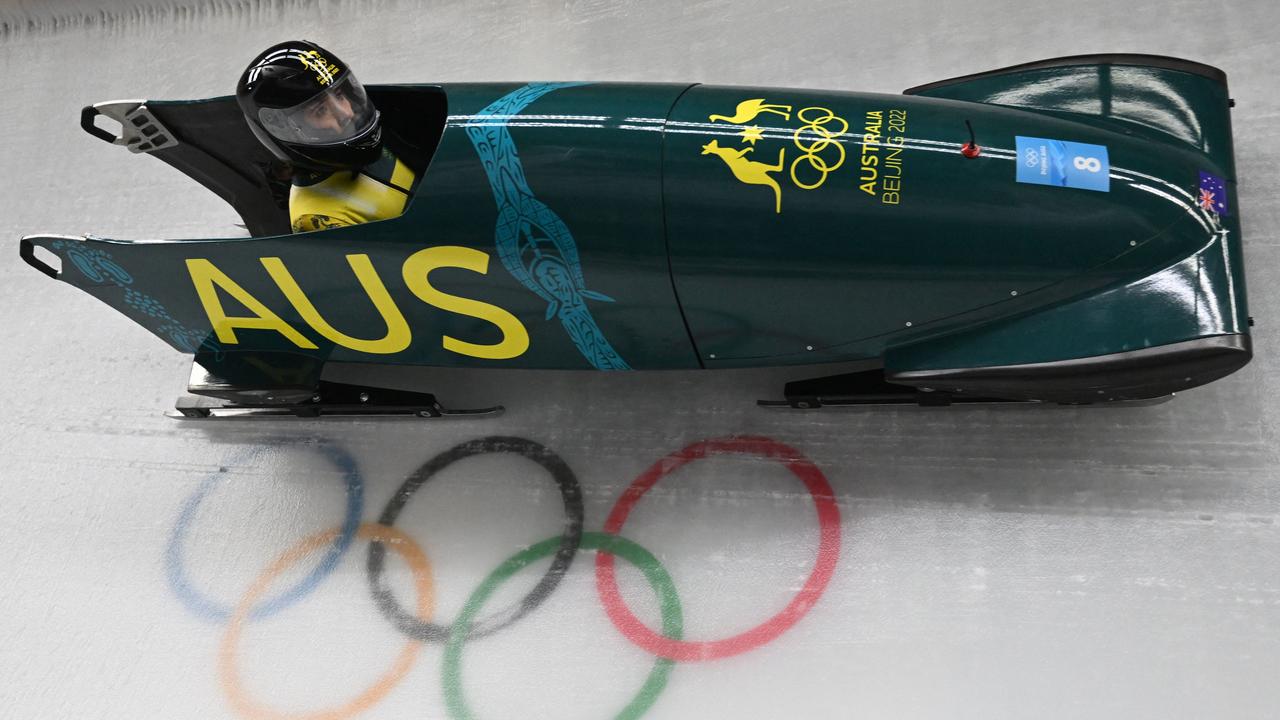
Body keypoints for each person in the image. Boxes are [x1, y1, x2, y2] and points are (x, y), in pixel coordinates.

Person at [236, 40, 417, 233]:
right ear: (288, 129)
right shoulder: (317, 219)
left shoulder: (377, 133)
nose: (346, 113)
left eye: (339, 95)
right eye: (321, 110)